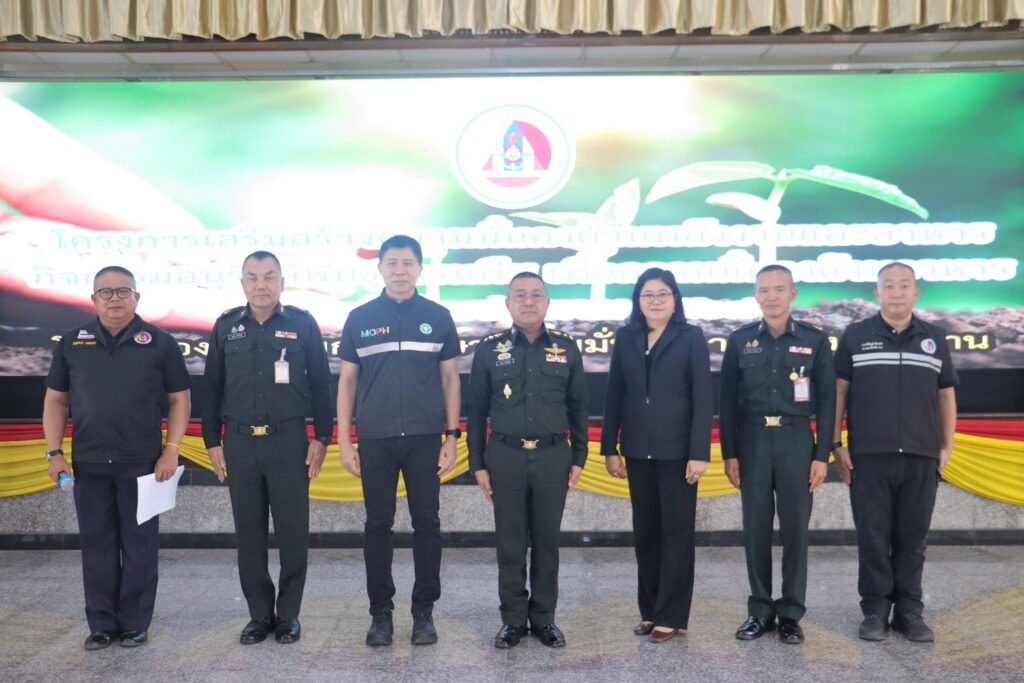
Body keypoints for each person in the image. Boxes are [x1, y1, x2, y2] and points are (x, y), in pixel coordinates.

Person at [42, 265, 191, 650]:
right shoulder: (72, 343)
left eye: (123, 291)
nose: (114, 299)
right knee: (97, 547)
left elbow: (179, 400)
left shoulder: (159, 342)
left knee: (140, 548)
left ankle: (135, 623)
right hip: (89, 464)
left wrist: (171, 451)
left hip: (143, 464)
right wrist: (54, 453)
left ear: (137, 297)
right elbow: (56, 401)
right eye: (105, 292)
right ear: (93, 300)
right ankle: (102, 625)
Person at [202, 250, 333, 646]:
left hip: (288, 441)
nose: (261, 284)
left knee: (293, 533)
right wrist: (212, 442)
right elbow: (211, 387)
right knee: (249, 534)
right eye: (253, 277)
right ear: (243, 283)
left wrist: (322, 437)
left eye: (269, 276)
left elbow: (321, 384)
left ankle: (289, 614)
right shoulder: (226, 326)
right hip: (240, 443)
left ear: (282, 282)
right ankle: (259, 614)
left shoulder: (302, 324)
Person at [337, 235, 461, 647]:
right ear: (380, 269)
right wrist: (345, 441)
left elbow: (450, 379)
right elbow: (348, 382)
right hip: (376, 439)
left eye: (408, 263)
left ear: (420, 268)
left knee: (427, 523)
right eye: (392, 263)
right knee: (378, 524)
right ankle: (381, 614)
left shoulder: (438, 317)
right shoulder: (360, 318)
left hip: (425, 439)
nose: (400, 271)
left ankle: (424, 612)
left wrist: (451, 435)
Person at [832, 262, 958, 643]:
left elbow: (946, 395)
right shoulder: (855, 336)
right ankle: (874, 610)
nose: (897, 292)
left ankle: (909, 611)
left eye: (904, 286)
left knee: (912, 538)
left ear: (916, 293)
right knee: (872, 537)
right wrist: (836, 444)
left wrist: (947, 445)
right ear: (877, 293)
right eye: (889, 286)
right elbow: (839, 392)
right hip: (869, 456)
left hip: (921, 454)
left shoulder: (934, 337)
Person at [466, 272, 589, 649]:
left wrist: (579, 456)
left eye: (536, 295)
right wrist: (478, 463)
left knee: (548, 542)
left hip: (554, 456)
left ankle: (544, 618)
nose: (529, 301)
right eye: (520, 295)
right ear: (508, 304)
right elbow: (476, 411)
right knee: (510, 543)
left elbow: (578, 406)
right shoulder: (489, 350)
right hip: (505, 457)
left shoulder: (566, 348)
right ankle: (513, 620)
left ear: (547, 303)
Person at [719, 264, 835, 645]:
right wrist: (730, 453)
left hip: (796, 440)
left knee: (795, 530)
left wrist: (821, 455)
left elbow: (828, 402)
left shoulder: (815, 340)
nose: (771, 296)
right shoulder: (740, 340)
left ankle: (790, 614)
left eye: (779, 289)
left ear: (793, 294)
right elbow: (728, 402)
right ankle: (760, 610)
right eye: (764, 290)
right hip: (752, 441)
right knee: (755, 528)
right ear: (755, 295)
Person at [600, 267, 713, 643]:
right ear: (638, 300)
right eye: (647, 294)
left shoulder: (691, 336)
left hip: (679, 453)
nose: (655, 301)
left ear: (675, 299)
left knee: (676, 533)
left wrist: (699, 452)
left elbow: (703, 397)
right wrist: (610, 448)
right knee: (647, 533)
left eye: (663, 294)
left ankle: (671, 616)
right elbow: (614, 393)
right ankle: (649, 611)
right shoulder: (626, 337)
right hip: (637, 450)